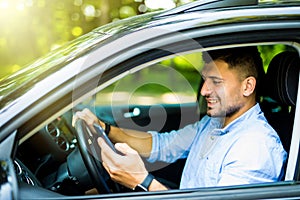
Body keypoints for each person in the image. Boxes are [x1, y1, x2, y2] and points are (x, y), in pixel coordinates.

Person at [73, 47, 287, 192]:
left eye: (215, 81)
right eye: (204, 81)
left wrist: (143, 182)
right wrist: (104, 127)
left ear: (248, 86)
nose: (204, 90)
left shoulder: (256, 147)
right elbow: (161, 146)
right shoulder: (213, 123)